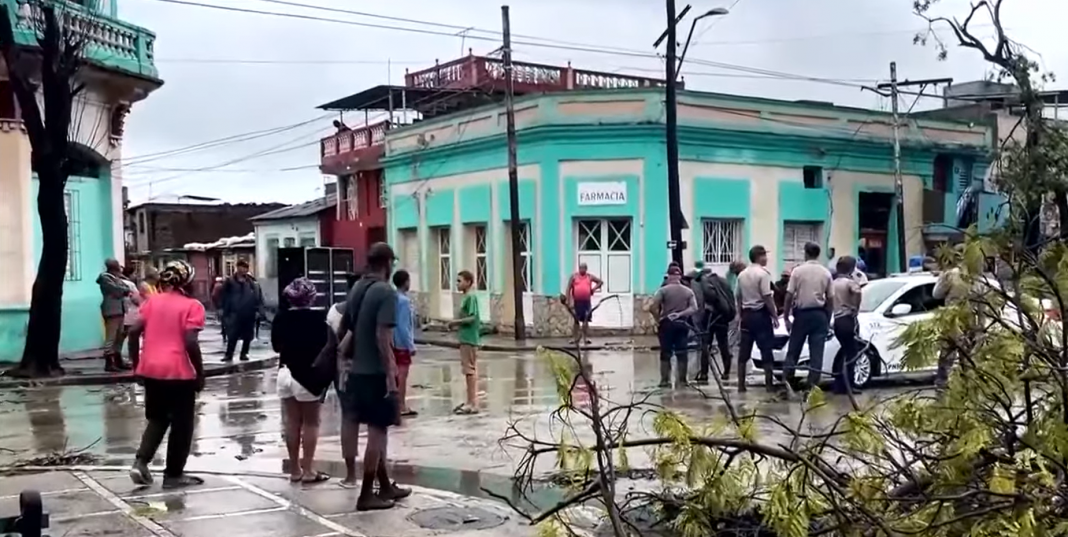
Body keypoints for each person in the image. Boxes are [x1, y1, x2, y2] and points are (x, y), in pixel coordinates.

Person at [337, 244, 411, 510]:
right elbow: (384, 339)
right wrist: (391, 378)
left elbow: (344, 326)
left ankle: (385, 484)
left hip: (357, 372)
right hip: (375, 374)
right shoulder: (385, 292)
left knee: (374, 431)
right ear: (387, 262)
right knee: (378, 434)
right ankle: (367, 494)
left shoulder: (357, 287)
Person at [127, 259, 205, 489]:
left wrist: (136, 365)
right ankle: (173, 475)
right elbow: (190, 341)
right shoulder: (192, 306)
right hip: (179, 373)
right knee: (182, 425)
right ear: (187, 282)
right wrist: (200, 373)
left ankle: (140, 462)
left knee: (158, 418)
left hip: (151, 370)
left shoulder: (152, 302)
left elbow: (133, 333)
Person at [272, 277, 330, 484]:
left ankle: (295, 469)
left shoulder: (281, 318)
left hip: (285, 372)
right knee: (311, 423)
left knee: (291, 422)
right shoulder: (318, 319)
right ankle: (308, 470)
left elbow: (276, 347)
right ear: (311, 297)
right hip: (307, 375)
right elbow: (327, 347)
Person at [782, 242, 834, 396]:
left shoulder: (798, 272)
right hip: (819, 315)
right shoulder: (826, 273)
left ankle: (787, 383)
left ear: (805, 253)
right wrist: (827, 318)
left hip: (802, 315)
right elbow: (830, 299)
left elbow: (789, 295)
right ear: (818, 254)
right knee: (816, 352)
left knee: (793, 350)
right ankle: (811, 388)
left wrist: (786, 317)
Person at [332, 271, 362, 489]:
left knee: (348, 421)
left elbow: (329, 345)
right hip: (366, 373)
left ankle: (351, 475)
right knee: (376, 426)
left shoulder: (334, 311)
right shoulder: (367, 312)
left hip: (341, 374)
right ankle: (379, 476)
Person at [736, 246, 779, 392]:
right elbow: (767, 296)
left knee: (744, 351)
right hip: (761, 315)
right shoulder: (763, 274)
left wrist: (740, 315)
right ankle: (769, 385)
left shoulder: (742, 274)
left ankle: (741, 385)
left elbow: (738, 297)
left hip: (747, 316)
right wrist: (774, 315)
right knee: (766, 349)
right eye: (764, 256)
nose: (766, 258)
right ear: (759, 257)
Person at [651, 265, 699, 388]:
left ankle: (664, 380)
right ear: (680, 276)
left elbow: (653, 306)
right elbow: (694, 308)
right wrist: (680, 314)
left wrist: (658, 319)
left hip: (666, 323)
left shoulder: (663, 291)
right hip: (682, 324)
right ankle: (682, 380)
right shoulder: (688, 291)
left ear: (669, 276)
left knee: (666, 352)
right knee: (682, 352)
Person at [689, 261, 735, 383]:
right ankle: (726, 373)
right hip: (723, 317)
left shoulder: (703, 281)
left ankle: (704, 374)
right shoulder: (723, 281)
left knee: (705, 345)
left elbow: (709, 297)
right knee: (723, 345)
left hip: (710, 317)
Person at [449, 270, 481, 415]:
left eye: (459, 281)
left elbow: (473, 317)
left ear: (468, 282)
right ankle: (469, 401)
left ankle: (472, 403)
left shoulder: (471, 297)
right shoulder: (465, 297)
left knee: (470, 370)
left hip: (470, 338)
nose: (457, 284)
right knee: (468, 370)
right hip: (464, 338)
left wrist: (456, 322)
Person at [831, 256, 863, 394]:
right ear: (851, 268)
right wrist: (855, 307)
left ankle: (839, 385)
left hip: (837, 320)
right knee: (852, 353)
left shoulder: (833, 283)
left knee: (843, 351)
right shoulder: (849, 282)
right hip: (848, 319)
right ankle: (849, 385)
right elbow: (857, 292)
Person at [220, 260, 264, 362]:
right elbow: (223, 296)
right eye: (241, 267)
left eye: (245, 268)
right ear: (237, 268)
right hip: (234, 313)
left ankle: (244, 353)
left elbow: (258, 297)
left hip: (249, 312)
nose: (243, 270)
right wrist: (222, 309)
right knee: (232, 335)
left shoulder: (251, 282)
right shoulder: (230, 281)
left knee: (247, 336)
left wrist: (258, 310)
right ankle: (229, 354)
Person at [98, 259, 133, 372]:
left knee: (120, 336)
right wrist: (125, 290)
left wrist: (125, 288)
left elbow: (126, 286)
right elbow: (117, 290)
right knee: (111, 337)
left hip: (120, 309)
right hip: (111, 310)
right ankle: (109, 362)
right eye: (117, 265)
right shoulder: (105, 278)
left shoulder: (116, 277)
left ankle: (118, 359)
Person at [392, 270, 417, 417]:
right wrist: (410, 345)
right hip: (402, 343)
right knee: (402, 375)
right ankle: (401, 405)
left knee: (395, 375)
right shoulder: (404, 301)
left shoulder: (393, 298)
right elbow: (404, 325)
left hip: (393, 341)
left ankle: (396, 403)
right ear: (406, 282)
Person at [566, 263, 602, 345]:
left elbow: (600, 282)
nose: (582, 269)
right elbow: (568, 289)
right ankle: (575, 338)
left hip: (586, 302)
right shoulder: (574, 277)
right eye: (580, 268)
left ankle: (586, 338)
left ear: (586, 269)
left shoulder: (589, 277)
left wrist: (593, 289)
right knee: (576, 320)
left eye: (583, 268)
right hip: (577, 302)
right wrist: (569, 301)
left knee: (586, 320)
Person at [121, 266, 145, 367]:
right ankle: (132, 358)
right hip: (132, 314)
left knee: (121, 337)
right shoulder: (130, 284)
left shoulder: (118, 282)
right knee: (132, 337)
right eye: (134, 273)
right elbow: (136, 299)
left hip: (122, 313)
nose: (135, 276)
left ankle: (120, 357)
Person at [211, 276, 226, 345]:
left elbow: (214, 295)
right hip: (223, 305)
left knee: (223, 319)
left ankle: (224, 334)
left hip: (220, 305)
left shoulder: (216, 286)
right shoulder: (220, 286)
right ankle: (225, 334)